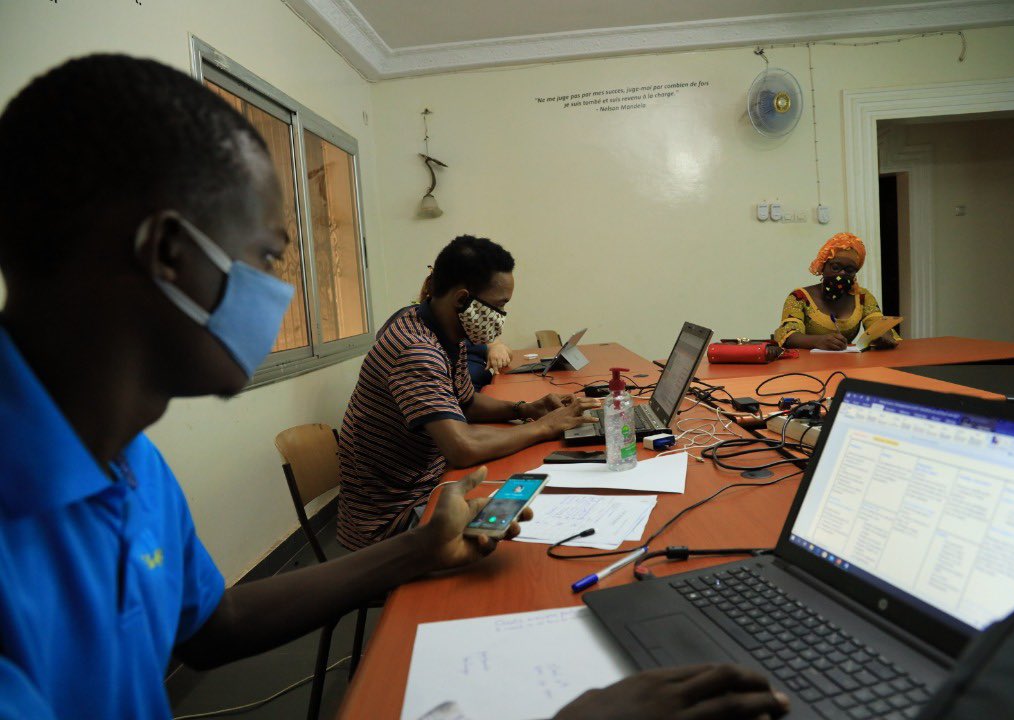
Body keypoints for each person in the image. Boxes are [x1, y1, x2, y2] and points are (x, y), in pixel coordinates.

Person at [0, 54, 788, 720]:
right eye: (271, 256)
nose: (279, 292)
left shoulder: (126, 459)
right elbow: (457, 434)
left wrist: (417, 551)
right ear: (170, 256)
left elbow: (213, 624)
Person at [337, 236, 600, 550]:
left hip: (431, 484)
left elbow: (468, 403)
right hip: (392, 522)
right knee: (533, 535)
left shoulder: (443, 332)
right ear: (462, 299)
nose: (502, 317)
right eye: (500, 305)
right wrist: (547, 426)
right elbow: (461, 447)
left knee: (529, 501)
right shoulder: (415, 350)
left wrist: (526, 409)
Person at [773, 233, 901, 351]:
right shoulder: (799, 297)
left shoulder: (862, 296)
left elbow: (877, 324)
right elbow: (788, 336)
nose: (841, 274)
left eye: (849, 270)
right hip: (808, 367)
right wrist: (817, 341)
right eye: (835, 267)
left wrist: (884, 335)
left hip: (848, 364)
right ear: (823, 266)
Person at [420, 267, 511, 389]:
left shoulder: (468, 330)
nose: (497, 315)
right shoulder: (422, 346)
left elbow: (468, 399)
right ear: (461, 299)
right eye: (497, 305)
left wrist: (497, 347)